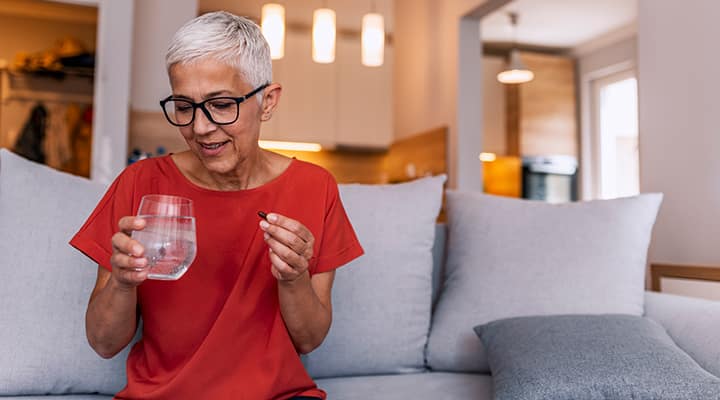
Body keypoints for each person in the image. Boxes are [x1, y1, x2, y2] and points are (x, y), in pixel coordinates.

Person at [70, 11, 363, 400]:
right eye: (183, 105)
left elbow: (309, 339)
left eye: (221, 104)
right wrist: (122, 284)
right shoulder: (140, 184)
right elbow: (103, 343)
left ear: (268, 101)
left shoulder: (315, 188)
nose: (200, 127)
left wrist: (293, 279)